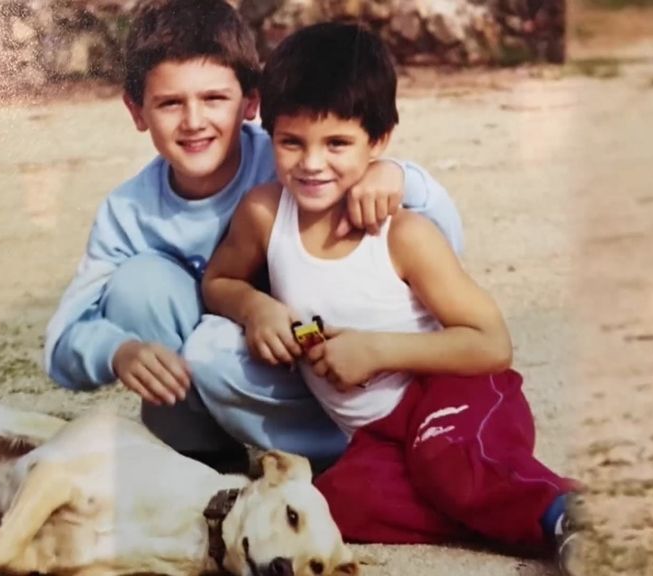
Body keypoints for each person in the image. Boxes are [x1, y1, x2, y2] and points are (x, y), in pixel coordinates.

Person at [200, 21, 580, 574]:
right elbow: (219, 281)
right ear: (271, 133)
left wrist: (378, 350)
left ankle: (565, 512)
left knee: (444, 458)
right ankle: (503, 511)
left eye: (337, 143)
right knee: (340, 502)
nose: (311, 163)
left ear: (378, 141)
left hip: (455, 393)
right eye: (291, 142)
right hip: (374, 437)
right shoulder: (263, 214)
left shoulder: (402, 236)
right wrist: (253, 307)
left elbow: (493, 344)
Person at [42, 0, 463, 473]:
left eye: (214, 98)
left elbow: (443, 246)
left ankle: (347, 454)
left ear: (251, 102)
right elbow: (62, 340)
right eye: (169, 103)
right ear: (136, 110)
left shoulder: (297, 157)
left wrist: (401, 177)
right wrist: (116, 351)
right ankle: (202, 455)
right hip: (236, 364)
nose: (194, 121)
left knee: (219, 347)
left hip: (342, 363)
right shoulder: (129, 211)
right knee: (140, 287)